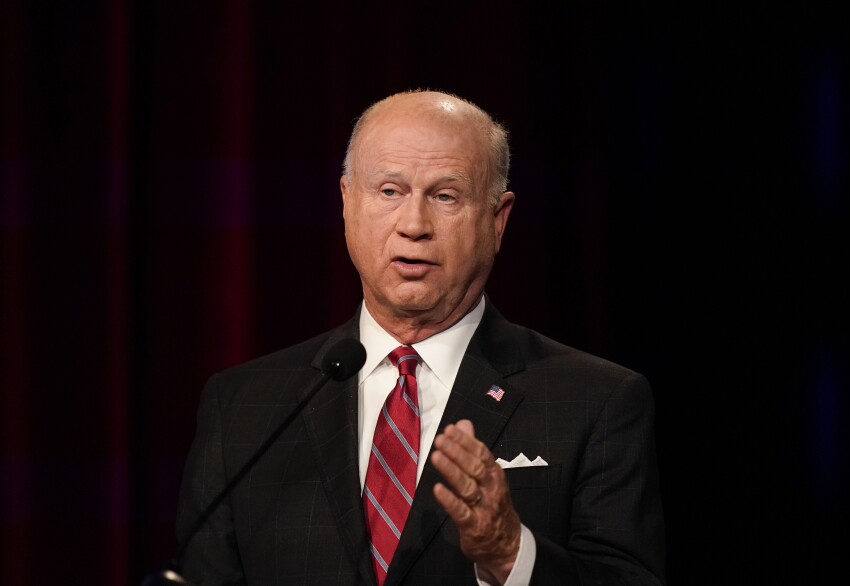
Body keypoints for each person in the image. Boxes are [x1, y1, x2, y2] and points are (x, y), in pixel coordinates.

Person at [176, 90, 665, 585]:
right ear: (347, 202)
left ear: (498, 221)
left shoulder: (595, 400)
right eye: (390, 191)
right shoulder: (243, 405)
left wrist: (510, 554)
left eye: (445, 196)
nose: (414, 225)